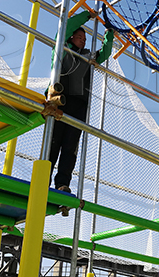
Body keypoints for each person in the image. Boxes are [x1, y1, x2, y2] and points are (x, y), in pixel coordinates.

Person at [46, 10, 114, 193]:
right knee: (52, 145)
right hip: (59, 101)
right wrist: (87, 15)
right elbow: (66, 27)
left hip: (79, 105)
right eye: (78, 37)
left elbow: (105, 53)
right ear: (70, 38)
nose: (82, 40)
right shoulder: (61, 49)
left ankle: (62, 183)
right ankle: (42, 180)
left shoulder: (87, 56)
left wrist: (110, 32)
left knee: (70, 148)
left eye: (84, 38)